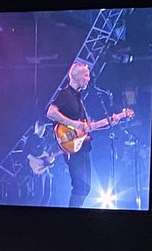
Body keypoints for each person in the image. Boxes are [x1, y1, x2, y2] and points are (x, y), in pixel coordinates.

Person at [47, 61, 129, 208]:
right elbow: (51, 112)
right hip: (73, 148)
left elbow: (87, 128)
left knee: (84, 188)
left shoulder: (78, 98)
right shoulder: (65, 94)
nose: (89, 78)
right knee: (81, 187)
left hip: (82, 146)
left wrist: (112, 121)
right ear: (76, 76)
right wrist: (73, 124)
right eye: (86, 75)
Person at [23, 118, 61, 206]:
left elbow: (46, 156)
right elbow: (25, 153)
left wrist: (50, 160)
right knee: (39, 195)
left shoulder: (43, 140)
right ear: (40, 128)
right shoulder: (32, 138)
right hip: (38, 169)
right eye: (43, 129)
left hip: (45, 170)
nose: (44, 131)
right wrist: (39, 161)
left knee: (48, 194)